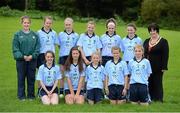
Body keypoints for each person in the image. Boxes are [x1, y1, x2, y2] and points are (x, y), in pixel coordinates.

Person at [12, 16, 40, 101]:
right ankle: (21, 96)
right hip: (21, 61)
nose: (26, 24)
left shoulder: (35, 35)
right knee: (21, 78)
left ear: (30, 23)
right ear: (22, 23)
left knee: (31, 78)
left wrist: (32, 56)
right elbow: (15, 49)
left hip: (32, 60)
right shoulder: (17, 35)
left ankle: (31, 96)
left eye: (28, 23)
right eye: (25, 22)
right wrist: (22, 56)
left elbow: (37, 48)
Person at [143, 23, 169, 102]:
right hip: (147, 66)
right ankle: (150, 98)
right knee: (149, 82)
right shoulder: (147, 41)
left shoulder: (163, 41)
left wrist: (164, 67)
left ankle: (159, 99)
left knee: (157, 82)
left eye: (154, 30)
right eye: (150, 31)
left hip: (158, 66)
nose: (152, 32)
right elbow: (143, 53)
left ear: (157, 31)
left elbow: (165, 55)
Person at [57, 17, 79, 98]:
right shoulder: (60, 34)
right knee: (62, 75)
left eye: (69, 25)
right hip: (63, 56)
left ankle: (72, 89)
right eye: (66, 25)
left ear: (72, 25)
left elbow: (76, 47)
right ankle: (62, 91)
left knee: (71, 74)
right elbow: (59, 45)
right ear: (64, 25)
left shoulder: (76, 35)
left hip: (72, 57)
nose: (68, 26)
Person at [122, 23, 142, 101]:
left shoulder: (139, 40)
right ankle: (125, 94)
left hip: (135, 61)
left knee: (133, 78)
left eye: (131, 30)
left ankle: (132, 94)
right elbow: (123, 51)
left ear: (135, 30)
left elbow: (140, 50)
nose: (130, 31)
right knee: (126, 78)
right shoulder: (124, 39)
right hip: (126, 61)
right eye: (128, 30)